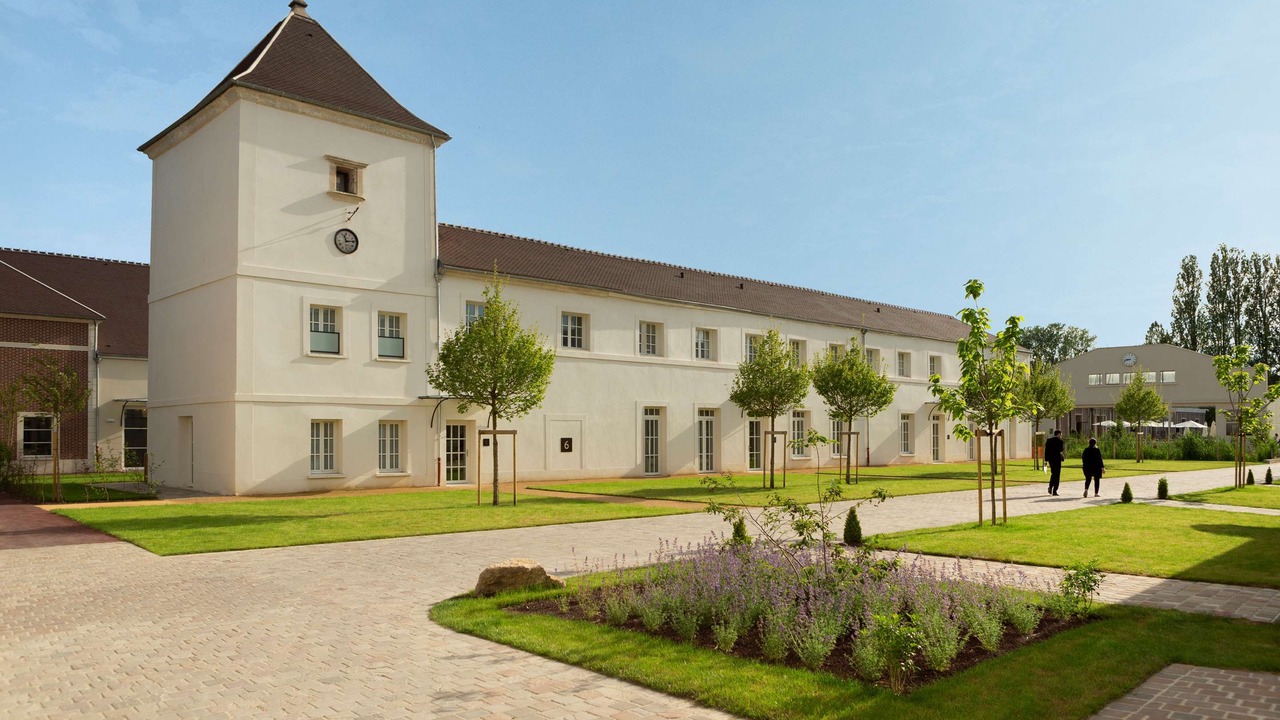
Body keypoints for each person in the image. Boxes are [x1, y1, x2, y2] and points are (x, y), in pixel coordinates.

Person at [1045, 429, 1065, 496]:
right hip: (1057, 459)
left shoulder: (1049, 441)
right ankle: (1055, 490)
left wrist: (1046, 459)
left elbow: (1046, 450)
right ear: (1058, 434)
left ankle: (1050, 486)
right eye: (1061, 434)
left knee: (1053, 473)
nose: (1061, 436)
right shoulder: (1060, 441)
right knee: (1057, 475)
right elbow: (1061, 449)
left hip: (1051, 459)